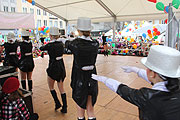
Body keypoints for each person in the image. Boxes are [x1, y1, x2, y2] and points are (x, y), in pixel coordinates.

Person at [92, 45, 180, 120]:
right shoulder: (175, 87)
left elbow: (123, 90)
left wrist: (104, 79)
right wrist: (135, 70)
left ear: (152, 73)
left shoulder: (147, 97)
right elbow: (158, 80)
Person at [65, 17, 99, 120]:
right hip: (92, 78)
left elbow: (66, 44)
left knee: (80, 109)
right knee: (90, 109)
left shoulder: (75, 44)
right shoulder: (95, 43)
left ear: (79, 30)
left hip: (79, 79)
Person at [40, 27, 67, 113]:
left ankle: (57, 103)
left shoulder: (49, 45)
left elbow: (41, 48)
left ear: (51, 35)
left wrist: (42, 40)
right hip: (61, 66)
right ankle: (65, 107)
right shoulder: (61, 44)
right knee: (61, 88)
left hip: (53, 66)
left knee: (51, 87)